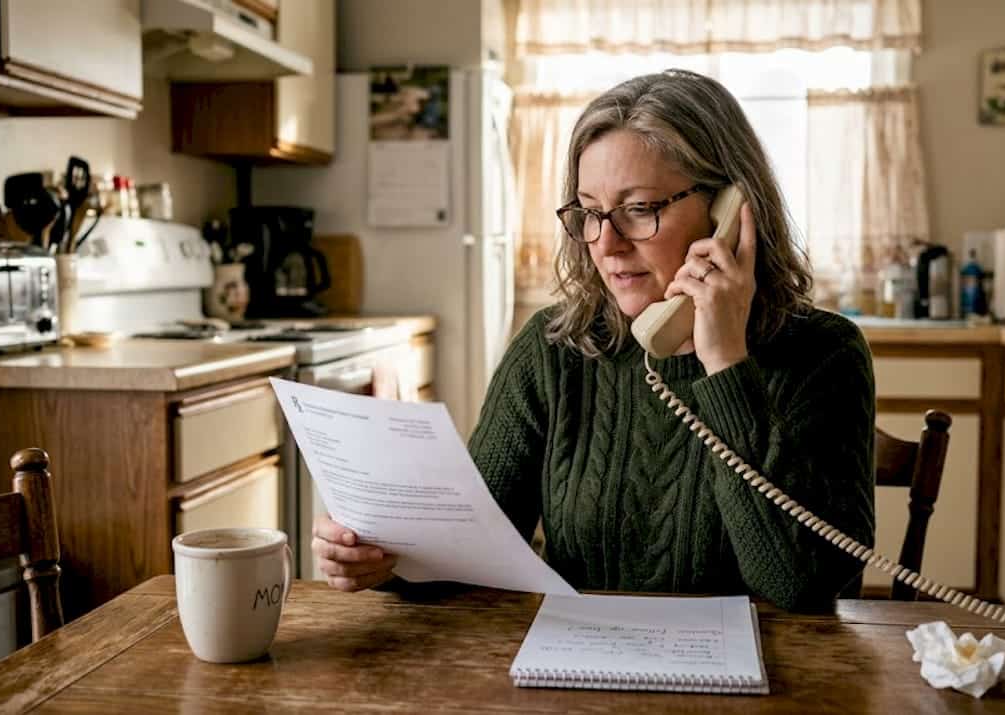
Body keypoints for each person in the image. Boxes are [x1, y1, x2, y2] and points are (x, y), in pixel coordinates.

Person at [312, 69, 876, 611]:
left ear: (730, 211)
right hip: (576, 662)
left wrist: (725, 363)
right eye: (589, 212)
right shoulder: (554, 348)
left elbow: (800, 587)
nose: (606, 243)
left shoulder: (825, 354)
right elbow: (469, 554)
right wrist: (383, 561)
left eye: (638, 209)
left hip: (772, 670)